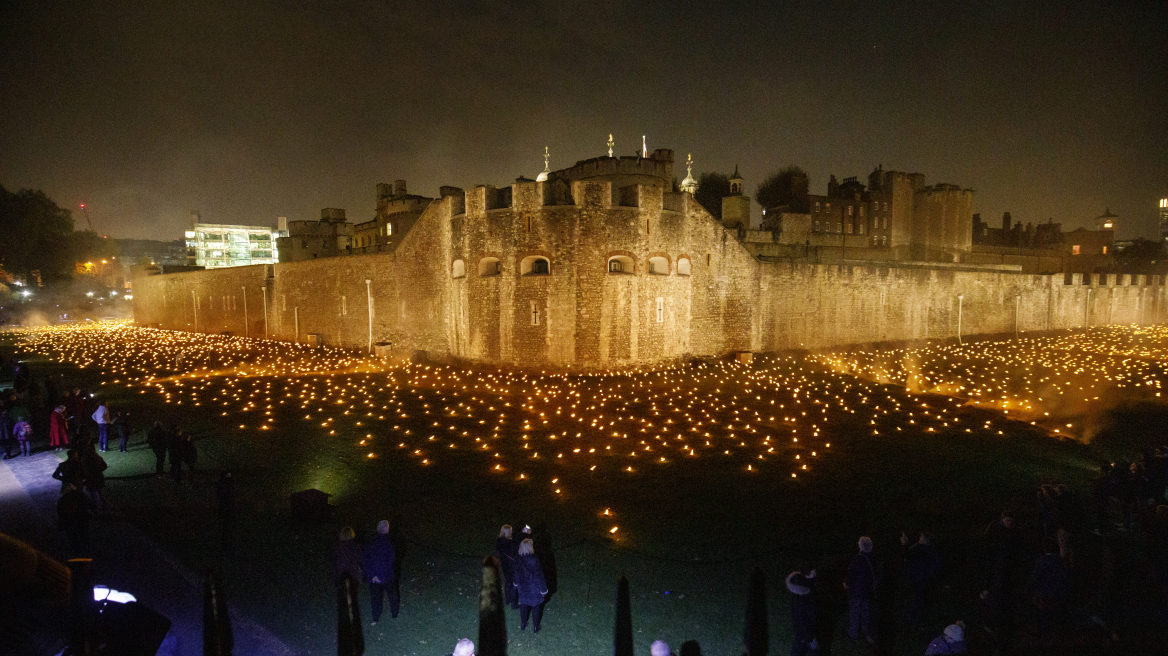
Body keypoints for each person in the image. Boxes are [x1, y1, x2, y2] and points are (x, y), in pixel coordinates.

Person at [363, 519, 399, 624]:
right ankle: (394, 613)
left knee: (375, 598)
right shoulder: (389, 543)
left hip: (374, 577)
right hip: (386, 576)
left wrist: (372, 575)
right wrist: (380, 576)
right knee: (392, 595)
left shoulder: (371, 542)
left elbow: (366, 560)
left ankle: (375, 617)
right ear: (387, 529)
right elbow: (389, 561)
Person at [902, 531, 941, 629]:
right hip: (926, 580)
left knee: (917, 601)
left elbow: (909, 554)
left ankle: (916, 622)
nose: (920, 538)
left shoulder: (921, 550)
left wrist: (905, 545)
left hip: (917, 579)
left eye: (921, 537)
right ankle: (920, 621)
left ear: (925, 539)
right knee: (922, 601)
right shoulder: (931, 550)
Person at [844, 536, 877, 645]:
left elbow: (851, 574)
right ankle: (866, 633)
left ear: (860, 545)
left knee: (855, 613)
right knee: (865, 613)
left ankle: (853, 635)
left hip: (856, 592)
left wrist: (846, 584)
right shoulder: (872, 558)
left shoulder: (857, 559)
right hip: (867, 592)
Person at [513, 538, 548, 632]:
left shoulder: (517, 558)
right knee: (536, 607)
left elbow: (515, 573)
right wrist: (543, 590)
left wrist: (516, 584)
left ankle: (523, 624)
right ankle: (536, 627)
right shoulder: (534, 559)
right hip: (534, 588)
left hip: (522, 588)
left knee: (523, 606)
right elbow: (539, 576)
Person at [786, 564, 818, 656]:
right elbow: (807, 613)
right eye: (813, 574)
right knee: (800, 646)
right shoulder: (805, 593)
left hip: (801, 626)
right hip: (805, 627)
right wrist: (807, 632)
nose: (815, 576)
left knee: (807, 645)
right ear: (807, 576)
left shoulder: (798, 585)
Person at [57, 483, 92, 556]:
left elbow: (60, 512)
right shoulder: (81, 495)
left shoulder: (62, 500)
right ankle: (87, 549)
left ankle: (78, 552)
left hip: (70, 521)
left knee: (73, 536)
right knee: (84, 533)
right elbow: (89, 503)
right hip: (82, 518)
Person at [80, 444, 109, 511]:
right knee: (100, 492)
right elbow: (105, 466)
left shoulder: (85, 460)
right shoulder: (98, 458)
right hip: (99, 477)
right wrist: (99, 471)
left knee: (93, 494)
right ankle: (104, 505)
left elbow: (83, 470)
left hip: (90, 479)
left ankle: (95, 507)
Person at [496, 524, 519, 609]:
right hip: (511, 565)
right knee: (514, 583)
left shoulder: (499, 541)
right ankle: (514, 603)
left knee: (507, 582)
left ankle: (507, 600)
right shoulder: (511, 543)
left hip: (504, 565)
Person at [217, 471, 236, 553]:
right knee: (227, 526)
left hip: (226, 507)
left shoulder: (223, 486)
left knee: (226, 526)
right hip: (228, 507)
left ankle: (226, 542)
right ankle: (227, 542)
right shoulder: (228, 487)